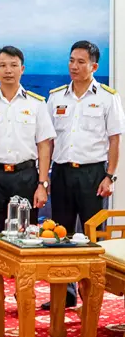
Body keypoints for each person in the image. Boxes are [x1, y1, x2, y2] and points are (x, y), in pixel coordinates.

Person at [42, 40, 125, 310]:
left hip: (93, 175)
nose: (74, 66)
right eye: (71, 60)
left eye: (80, 62)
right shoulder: (56, 97)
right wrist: (44, 177)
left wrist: (110, 176)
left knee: (92, 237)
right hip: (62, 173)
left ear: (94, 66)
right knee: (59, 235)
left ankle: (90, 294)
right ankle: (63, 294)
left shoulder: (107, 97)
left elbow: (115, 140)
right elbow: (47, 141)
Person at [0, 46, 56, 315]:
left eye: (13, 65)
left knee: (26, 238)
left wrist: (42, 183)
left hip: (26, 175)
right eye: (2, 65)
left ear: (22, 69)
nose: (8, 70)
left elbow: (44, 146)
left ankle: (24, 294)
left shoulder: (36, 104)